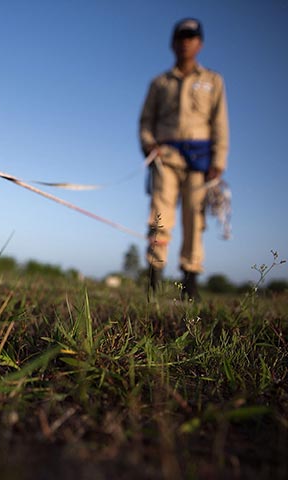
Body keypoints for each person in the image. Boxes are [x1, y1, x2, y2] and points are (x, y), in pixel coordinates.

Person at [139, 18, 229, 300]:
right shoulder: (159, 83)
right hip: (165, 156)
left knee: (194, 217)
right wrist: (148, 145)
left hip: (200, 161)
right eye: (181, 36)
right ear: (173, 42)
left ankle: (190, 281)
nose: (185, 42)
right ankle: (154, 279)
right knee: (159, 215)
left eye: (191, 37)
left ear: (199, 43)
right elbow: (145, 121)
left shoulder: (213, 81)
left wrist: (218, 161)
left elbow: (220, 123)